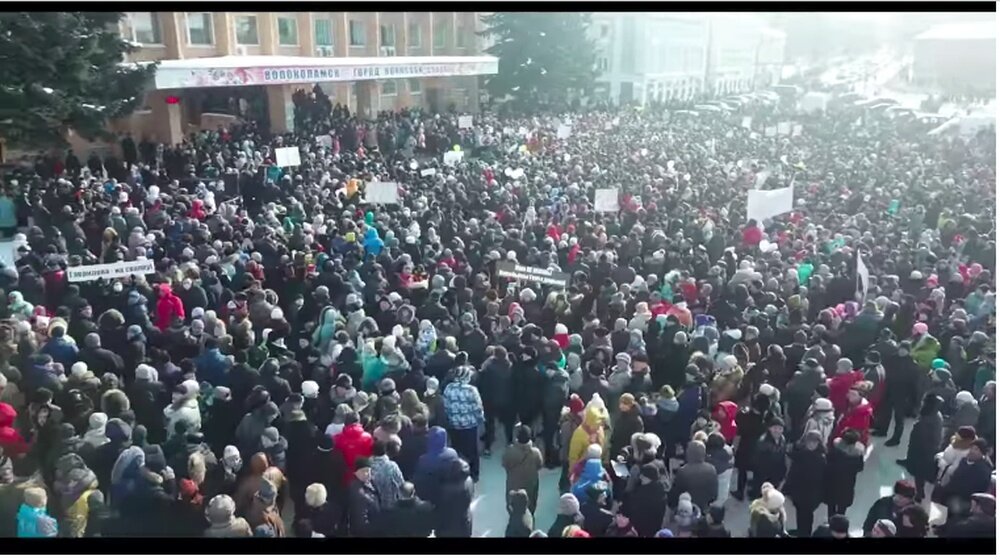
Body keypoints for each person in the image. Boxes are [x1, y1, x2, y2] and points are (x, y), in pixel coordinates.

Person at [442, 360, 484, 482]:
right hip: (469, 425)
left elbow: (445, 406)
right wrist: (480, 420)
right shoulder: (471, 390)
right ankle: (474, 474)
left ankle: (458, 472)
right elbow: (478, 408)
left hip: (454, 424)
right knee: (472, 450)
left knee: (457, 449)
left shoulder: (449, 388)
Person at [899, 393, 945, 501]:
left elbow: (923, 437)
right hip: (926, 448)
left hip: (923, 449)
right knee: (920, 472)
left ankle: (919, 494)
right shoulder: (934, 415)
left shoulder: (929, 419)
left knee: (919, 473)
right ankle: (919, 492)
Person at [785, 430, 827, 537]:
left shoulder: (821, 458)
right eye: (809, 442)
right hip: (799, 490)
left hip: (812, 493)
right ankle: (800, 531)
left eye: (814, 442)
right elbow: (793, 472)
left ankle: (806, 533)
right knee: (799, 512)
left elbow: (824, 479)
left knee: (808, 514)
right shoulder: (801, 454)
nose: (811, 444)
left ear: (818, 443)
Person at [502, 424, 544, 514]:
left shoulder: (510, 451)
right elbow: (540, 465)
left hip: (514, 484)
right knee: (531, 504)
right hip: (531, 484)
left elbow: (504, 464)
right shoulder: (535, 452)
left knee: (513, 505)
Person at [824, 430, 865, 517]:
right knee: (842, 508)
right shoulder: (857, 455)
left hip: (832, 483)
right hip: (847, 485)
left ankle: (830, 521)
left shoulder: (835, 451)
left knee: (831, 506)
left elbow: (827, 464)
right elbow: (860, 468)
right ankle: (839, 522)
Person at [346, 457, 380, 537]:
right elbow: (360, 521)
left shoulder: (370, 483)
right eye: (363, 471)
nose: (366, 474)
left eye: (368, 471)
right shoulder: (357, 492)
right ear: (355, 473)